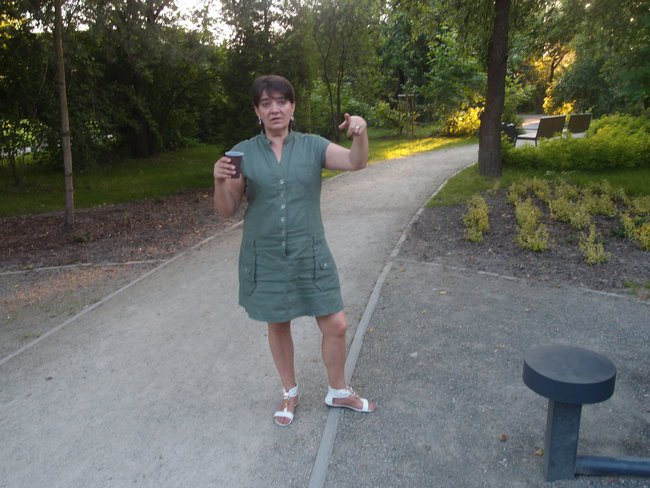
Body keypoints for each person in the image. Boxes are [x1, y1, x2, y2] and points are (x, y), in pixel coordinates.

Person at [213, 75, 376, 426]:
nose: (275, 109)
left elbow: (356, 162)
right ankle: (290, 391)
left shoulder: (313, 146)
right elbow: (227, 209)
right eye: (266, 103)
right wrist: (219, 180)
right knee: (278, 323)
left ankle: (338, 390)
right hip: (266, 254)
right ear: (257, 111)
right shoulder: (240, 153)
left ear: (293, 106)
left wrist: (360, 133)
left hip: (310, 251)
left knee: (336, 324)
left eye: (281, 101)